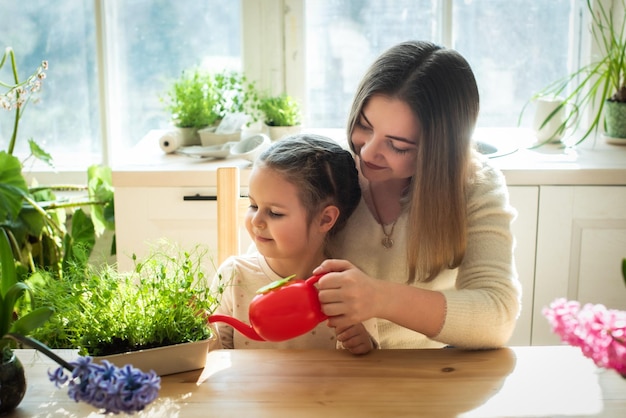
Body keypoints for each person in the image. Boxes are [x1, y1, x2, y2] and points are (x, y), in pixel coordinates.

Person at [314, 40, 522, 349]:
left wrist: (380, 298)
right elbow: (263, 270)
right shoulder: (329, 169)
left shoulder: (475, 182)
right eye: (364, 125)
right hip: (337, 374)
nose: (368, 151)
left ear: (439, 151)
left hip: (431, 378)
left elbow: (497, 316)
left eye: (397, 145)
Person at [209, 134, 377, 354]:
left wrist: (363, 344)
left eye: (275, 213)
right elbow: (214, 358)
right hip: (246, 389)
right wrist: (199, 330)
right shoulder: (233, 276)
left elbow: (369, 365)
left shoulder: (346, 287)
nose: (256, 221)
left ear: (325, 219)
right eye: (252, 205)